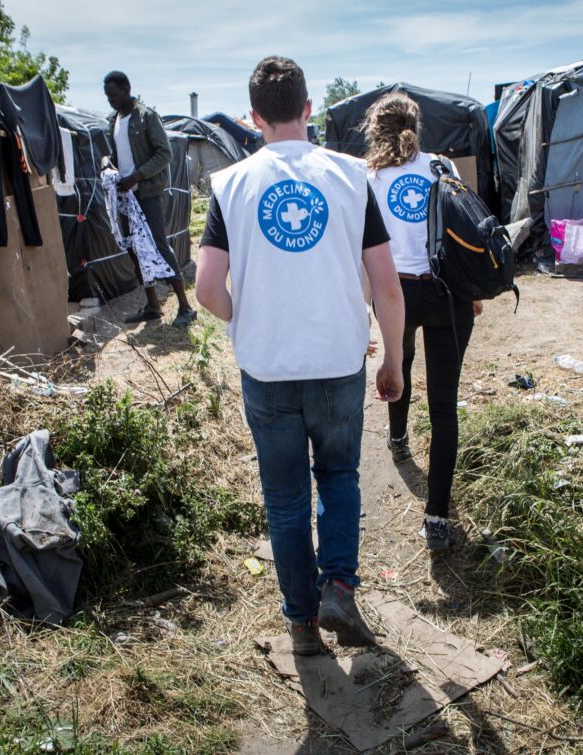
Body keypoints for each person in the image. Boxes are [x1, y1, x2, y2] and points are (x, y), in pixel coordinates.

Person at [195, 56, 405, 655]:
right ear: (308, 109)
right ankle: (338, 584)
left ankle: (302, 625)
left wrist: (246, 319)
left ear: (253, 117)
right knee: (338, 476)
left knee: (285, 498)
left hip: (267, 370)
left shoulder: (231, 185)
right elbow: (387, 286)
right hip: (338, 362)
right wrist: (392, 360)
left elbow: (207, 289)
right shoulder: (351, 177)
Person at [364, 92, 482, 552]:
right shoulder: (441, 166)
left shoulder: (370, 178)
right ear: (416, 126)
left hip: (396, 293)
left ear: (377, 130)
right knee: (444, 405)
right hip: (448, 292)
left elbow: (362, 254)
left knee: (400, 363)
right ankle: (436, 518)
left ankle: (397, 438)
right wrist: (473, 292)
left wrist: (361, 310)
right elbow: (464, 228)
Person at [103, 70, 197, 327]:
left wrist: (137, 176)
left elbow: (165, 153)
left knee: (159, 245)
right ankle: (153, 306)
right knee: (134, 248)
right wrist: (108, 164)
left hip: (147, 193)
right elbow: (120, 155)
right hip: (125, 196)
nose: (110, 100)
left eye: (113, 94)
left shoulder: (146, 117)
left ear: (126, 89)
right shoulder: (114, 121)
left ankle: (185, 307)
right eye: (107, 96)